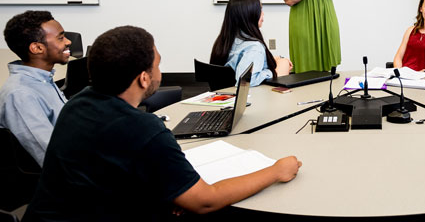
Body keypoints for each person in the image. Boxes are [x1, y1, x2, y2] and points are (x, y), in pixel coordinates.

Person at [24, 26, 302, 221]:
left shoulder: (79, 103)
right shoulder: (144, 130)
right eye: (157, 65)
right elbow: (205, 200)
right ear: (144, 78)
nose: (160, 70)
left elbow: (109, 167)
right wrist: (275, 170)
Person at [0, 11, 70, 166]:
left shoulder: (43, 80)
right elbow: (51, 157)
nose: (68, 42)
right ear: (37, 48)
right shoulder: (21, 95)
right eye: (61, 38)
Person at [210, 0, 292, 86]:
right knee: (284, 62)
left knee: (278, 60)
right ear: (250, 14)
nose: (263, 13)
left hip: (224, 93)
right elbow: (245, 81)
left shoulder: (225, 40)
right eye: (260, 9)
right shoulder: (254, 47)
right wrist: (271, 72)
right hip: (251, 97)